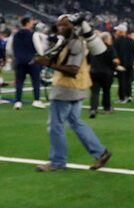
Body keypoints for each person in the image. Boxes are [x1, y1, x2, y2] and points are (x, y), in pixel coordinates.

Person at [33, 16, 111, 172]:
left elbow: (72, 70)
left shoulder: (75, 43)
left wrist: (47, 63)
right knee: (76, 122)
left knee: (55, 126)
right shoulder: (72, 42)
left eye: (65, 24)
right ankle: (101, 152)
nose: (60, 27)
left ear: (73, 27)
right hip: (77, 88)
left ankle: (57, 161)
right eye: (59, 24)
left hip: (66, 88)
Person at [11, 17, 46, 109]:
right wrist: (41, 56)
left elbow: (10, 48)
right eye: (31, 22)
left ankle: (18, 101)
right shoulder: (33, 34)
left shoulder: (15, 34)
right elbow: (38, 47)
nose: (33, 23)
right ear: (27, 23)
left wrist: (16, 57)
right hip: (32, 60)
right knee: (35, 81)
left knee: (19, 82)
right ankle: (36, 100)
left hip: (19, 60)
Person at [88, 31, 117, 118]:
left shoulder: (93, 47)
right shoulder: (110, 48)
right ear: (107, 39)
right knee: (106, 91)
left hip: (94, 72)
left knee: (94, 91)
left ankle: (93, 108)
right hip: (106, 72)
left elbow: (88, 59)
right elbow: (114, 60)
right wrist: (114, 67)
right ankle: (106, 108)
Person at [113, 24, 134, 103]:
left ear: (121, 32)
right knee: (128, 81)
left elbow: (114, 53)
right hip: (130, 64)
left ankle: (122, 98)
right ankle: (129, 95)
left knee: (122, 81)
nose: (116, 32)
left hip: (121, 64)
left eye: (117, 31)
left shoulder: (116, 41)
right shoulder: (131, 40)